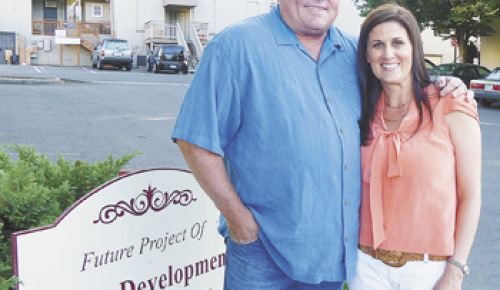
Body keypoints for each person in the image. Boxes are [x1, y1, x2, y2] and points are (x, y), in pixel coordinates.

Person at [171, 1, 469, 289]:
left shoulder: (354, 52)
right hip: (261, 252)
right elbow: (195, 139)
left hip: (330, 259)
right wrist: (240, 222)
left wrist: (442, 83)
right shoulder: (236, 46)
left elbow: (398, 80)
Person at [350, 4, 481, 290]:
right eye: (377, 45)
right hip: (365, 268)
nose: (388, 54)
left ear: (414, 49)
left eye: (398, 42)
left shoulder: (451, 103)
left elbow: (470, 196)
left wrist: (455, 272)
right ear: (367, 56)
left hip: (428, 271)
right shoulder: (360, 110)